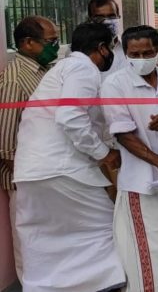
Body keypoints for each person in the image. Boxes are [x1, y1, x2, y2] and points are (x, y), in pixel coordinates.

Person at [13, 22, 125, 292]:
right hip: (62, 169)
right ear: (102, 48)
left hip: (33, 169)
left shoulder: (63, 68)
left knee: (43, 241)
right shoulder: (83, 68)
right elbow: (71, 117)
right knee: (105, 230)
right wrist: (104, 154)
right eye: (111, 49)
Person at [100, 25, 158, 290]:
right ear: (125, 53)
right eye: (134, 54)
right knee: (146, 253)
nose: (141, 59)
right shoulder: (115, 84)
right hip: (141, 184)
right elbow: (123, 135)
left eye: (147, 53)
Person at [0, 16, 59, 279]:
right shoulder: (15, 79)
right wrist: (27, 176)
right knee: (30, 246)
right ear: (27, 43)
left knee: (50, 243)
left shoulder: (45, 71)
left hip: (47, 173)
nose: (56, 46)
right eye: (51, 41)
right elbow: (5, 142)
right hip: (26, 180)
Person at [88, 0, 127, 79]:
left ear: (118, 17)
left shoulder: (130, 48)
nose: (107, 21)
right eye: (99, 18)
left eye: (111, 16)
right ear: (90, 20)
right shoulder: (80, 51)